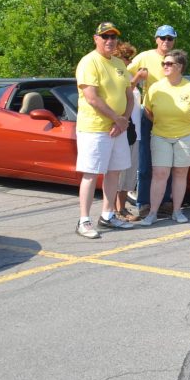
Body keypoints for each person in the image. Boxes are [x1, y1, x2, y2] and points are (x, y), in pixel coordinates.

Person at [74, 22, 134, 239]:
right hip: (95, 129)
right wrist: (116, 119)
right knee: (91, 174)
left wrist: (124, 120)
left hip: (118, 128)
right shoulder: (89, 62)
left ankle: (108, 215)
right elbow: (92, 97)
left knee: (114, 172)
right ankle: (84, 220)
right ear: (96, 38)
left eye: (113, 37)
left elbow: (129, 96)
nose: (110, 40)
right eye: (105, 36)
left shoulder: (119, 63)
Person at [140, 50, 190, 225]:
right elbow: (148, 111)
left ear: (180, 67)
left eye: (169, 64)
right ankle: (152, 213)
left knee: (180, 173)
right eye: (164, 63)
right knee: (160, 173)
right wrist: (162, 123)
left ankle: (177, 211)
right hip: (160, 135)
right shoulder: (155, 87)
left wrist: (183, 124)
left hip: (186, 135)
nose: (165, 66)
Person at [127, 25, 178, 216]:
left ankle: (165, 201)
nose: (166, 41)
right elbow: (124, 78)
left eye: (170, 38)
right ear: (156, 39)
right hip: (149, 114)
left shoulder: (176, 58)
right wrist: (138, 77)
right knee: (146, 161)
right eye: (162, 38)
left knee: (167, 161)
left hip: (170, 116)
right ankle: (143, 203)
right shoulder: (144, 56)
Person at [112, 41, 141, 221]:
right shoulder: (120, 79)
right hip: (124, 131)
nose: (128, 61)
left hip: (135, 132)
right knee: (119, 173)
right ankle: (116, 209)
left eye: (129, 58)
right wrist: (136, 78)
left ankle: (122, 207)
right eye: (125, 57)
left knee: (130, 174)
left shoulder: (129, 78)